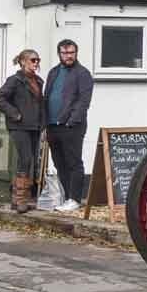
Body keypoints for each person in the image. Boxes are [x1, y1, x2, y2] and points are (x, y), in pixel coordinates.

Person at [44, 39, 93, 212]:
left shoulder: (83, 73)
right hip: (52, 125)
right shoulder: (53, 72)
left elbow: (83, 101)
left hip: (71, 126)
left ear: (76, 53)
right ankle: (66, 198)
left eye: (71, 52)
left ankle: (75, 199)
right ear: (59, 54)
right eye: (65, 53)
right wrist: (45, 124)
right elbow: (47, 96)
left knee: (73, 162)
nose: (68, 56)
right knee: (59, 163)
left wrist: (72, 121)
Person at [0, 49, 44, 214]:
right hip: (19, 126)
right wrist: (15, 114)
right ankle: (22, 199)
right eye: (32, 60)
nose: (35, 63)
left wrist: (43, 124)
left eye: (37, 60)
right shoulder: (15, 80)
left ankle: (17, 199)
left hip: (35, 127)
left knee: (27, 162)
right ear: (22, 61)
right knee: (26, 160)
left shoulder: (38, 81)